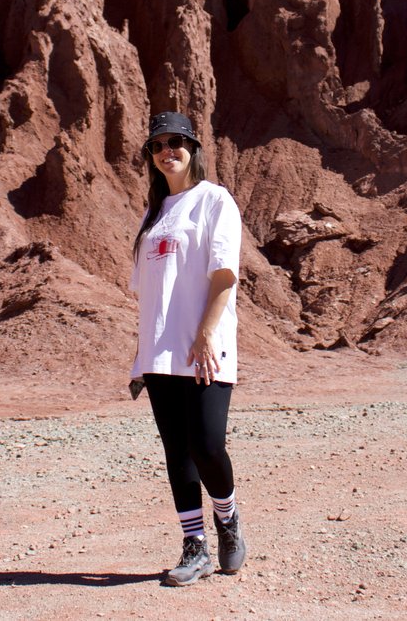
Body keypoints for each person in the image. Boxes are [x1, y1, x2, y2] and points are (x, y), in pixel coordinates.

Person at [128, 111, 246, 586]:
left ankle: (229, 519)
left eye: (176, 141)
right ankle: (194, 546)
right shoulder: (152, 216)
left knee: (207, 445)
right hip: (159, 354)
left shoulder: (215, 200)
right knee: (177, 450)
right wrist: (142, 354)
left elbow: (223, 275)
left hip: (205, 348)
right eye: (157, 145)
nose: (167, 151)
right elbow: (152, 294)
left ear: (193, 148)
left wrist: (205, 334)